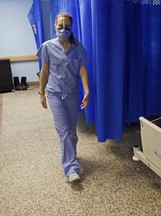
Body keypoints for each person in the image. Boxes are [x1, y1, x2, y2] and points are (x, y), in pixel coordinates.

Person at [37, 12, 89, 183]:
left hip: (72, 93)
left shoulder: (78, 48)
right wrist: (41, 92)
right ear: (55, 27)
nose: (63, 29)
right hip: (54, 93)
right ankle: (71, 168)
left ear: (71, 27)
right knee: (64, 131)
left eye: (66, 27)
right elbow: (44, 71)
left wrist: (87, 90)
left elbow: (82, 69)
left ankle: (71, 155)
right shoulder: (47, 47)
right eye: (60, 27)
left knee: (72, 132)